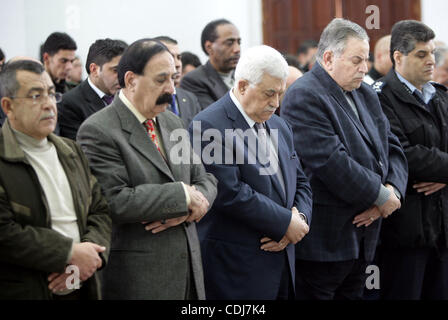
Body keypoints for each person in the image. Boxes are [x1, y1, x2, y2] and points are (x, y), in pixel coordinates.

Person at [77, 38, 218, 300]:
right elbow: (114, 200)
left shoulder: (172, 122)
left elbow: (205, 179)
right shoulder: (98, 130)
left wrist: (193, 206)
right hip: (140, 278)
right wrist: (182, 197)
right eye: (161, 80)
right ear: (130, 80)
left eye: (174, 79)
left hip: (189, 271)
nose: (171, 90)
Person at [281, 18, 408, 300]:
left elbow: (393, 146)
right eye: (356, 60)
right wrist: (378, 196)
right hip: (326, 243)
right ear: (328, 58)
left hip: (365, 237)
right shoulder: (304, 94)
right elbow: (330, 162)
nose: (365, 67)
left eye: (366, 59)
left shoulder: (365, 92)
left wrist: (393, 192)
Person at [189, 45, 312, 299]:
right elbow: (229, 192)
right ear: (243, 86)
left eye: (280, 93)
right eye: (269, 93)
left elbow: (300, 180)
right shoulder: (208, 125)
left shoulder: (279, 124)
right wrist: (283, 223)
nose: (276, 103)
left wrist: (298, 219)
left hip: (283, 262)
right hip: (238, 269)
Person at [0, 59, 111, 300]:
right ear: (8, 106)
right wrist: (69, 252)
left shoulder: (71, 151)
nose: (49, 105)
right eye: (35, 96)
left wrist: (89, 257)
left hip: (82, 283)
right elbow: (5, 233)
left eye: (51, 94)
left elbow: (100, 210)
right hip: (28, 287)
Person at [373, 20, 448, 300]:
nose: (431, 61)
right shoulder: (380, 98)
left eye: (432, 54)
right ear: (398, 57)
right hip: (404, 232)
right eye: (421, 54)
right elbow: (404, 155)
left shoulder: (439, 96)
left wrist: (442, 176)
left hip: (441, 229)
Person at [58, 39, 127, 140]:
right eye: (116, 70)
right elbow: (80, 149)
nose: (122, 77)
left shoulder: (126, 96)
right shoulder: (69, 104)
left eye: (124, 70)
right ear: (94, 70)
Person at [181, 19, 241, 110]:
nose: (237, 49)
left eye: (239, 42)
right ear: (209, 47)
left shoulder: (244, 76)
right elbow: (213, 118)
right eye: (229, 43)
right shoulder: (194, 81)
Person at [154, 36, 202, 128]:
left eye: (179, 57)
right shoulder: (149, 98)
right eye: (171, 57)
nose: (177, 64)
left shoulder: (190, 99)